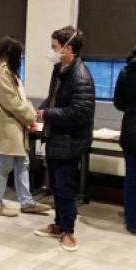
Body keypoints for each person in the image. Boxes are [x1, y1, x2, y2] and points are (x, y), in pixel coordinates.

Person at [34, 26, 95, 252]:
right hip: (55, 137)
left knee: (64, 187)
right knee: (56, 187)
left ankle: (68, 231)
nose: (52, 52)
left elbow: (80, 112)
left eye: (55, 48)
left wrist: (48, 115)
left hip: (70, 141)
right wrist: (38, 113)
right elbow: (53, 98)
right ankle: (59, 224)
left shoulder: (81, 76)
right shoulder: (60, 69)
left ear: (68, 48)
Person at [0, 36, 50, 217]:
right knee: (3, 166)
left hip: (13, 126)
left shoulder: (0, 69)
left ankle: (26, 201)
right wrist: (30, 117)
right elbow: (12, 102)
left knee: (23, 164)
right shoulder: (1, 71)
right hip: (6, 127)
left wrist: (28, 117)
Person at [113, 30, 136, 235]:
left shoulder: (126, 71)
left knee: (132, 177)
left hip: (132, 129)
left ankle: (133, 223)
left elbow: (119, 102)